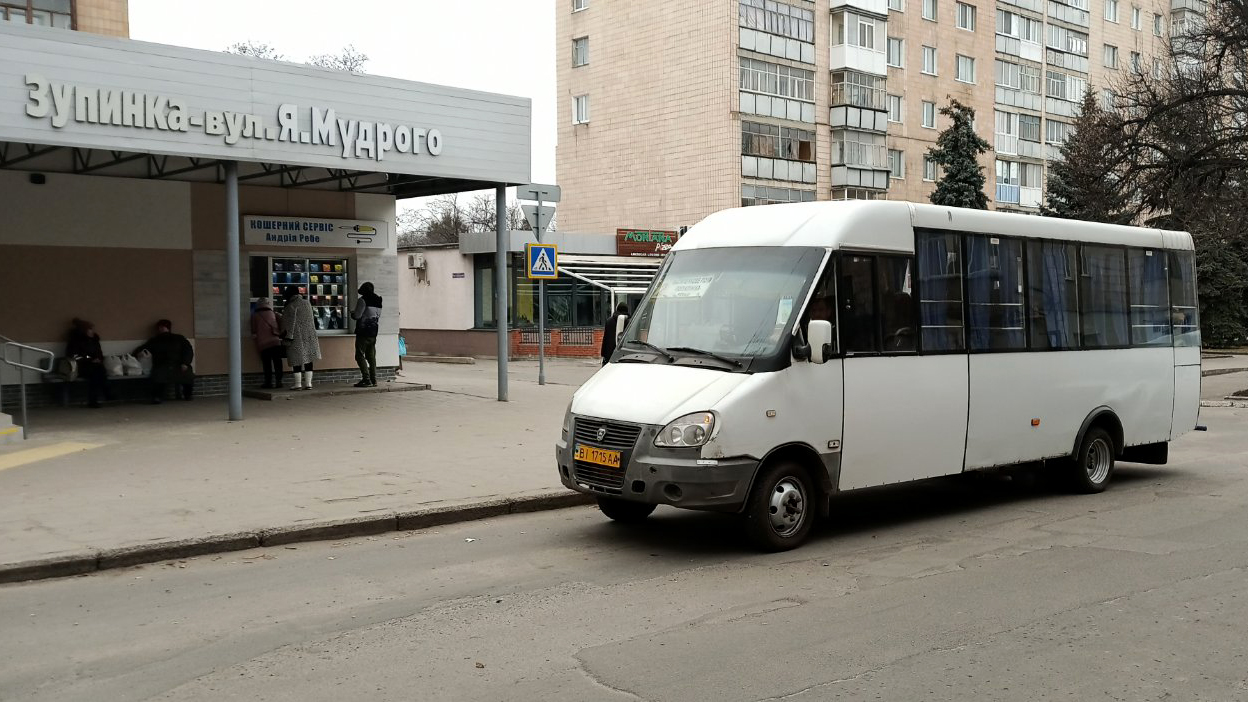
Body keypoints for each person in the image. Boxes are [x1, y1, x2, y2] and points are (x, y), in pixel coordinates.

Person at [134, 319, 194, 403]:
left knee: (187, 375)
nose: (161, 329)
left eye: (162, 327)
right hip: (162, 365)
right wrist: (138, 353)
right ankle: (157, 397)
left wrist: (185, 363)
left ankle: (188, 395)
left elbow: (188, 351)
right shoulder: (156, 340)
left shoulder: (178, 338)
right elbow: (144, 348)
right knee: (158, 377)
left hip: (177, 364)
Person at [281, 286, 321, 390]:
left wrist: (287, 336)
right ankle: (308, 384)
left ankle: (298, 384)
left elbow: (289, 323)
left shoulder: (291, 306)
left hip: (296, 336)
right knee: (308, 359)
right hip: (309, 335)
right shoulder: (307, 303)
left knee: (296, 360)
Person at [66, 318, 109, 409]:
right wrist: (89, 359)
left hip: (95, 365)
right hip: (82, 366)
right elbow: (74, 355)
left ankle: (101, 396)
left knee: (99, 371)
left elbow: (99, 353)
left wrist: (98, 359)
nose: (92, 331)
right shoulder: (76, 341)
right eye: (90, 329)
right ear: (84, 330)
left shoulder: (95, 340)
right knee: (96, 373)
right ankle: (102, 396)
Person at [351, 281, 383, 387]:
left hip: (363, 331)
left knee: (359, 355)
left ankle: (366, 379)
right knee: (371, 356)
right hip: (374, 331)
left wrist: (352, 313)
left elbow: (357, 315)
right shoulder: (379, 300)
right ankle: (374, 379)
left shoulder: (362, 300)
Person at [250, 298, 284, 389]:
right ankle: (279, 381)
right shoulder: (273, 313)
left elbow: (253, 330)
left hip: (263, 344)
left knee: (267, 364)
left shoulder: (255, 315)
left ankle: (268, 382)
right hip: (275, 342)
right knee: (277, 362)